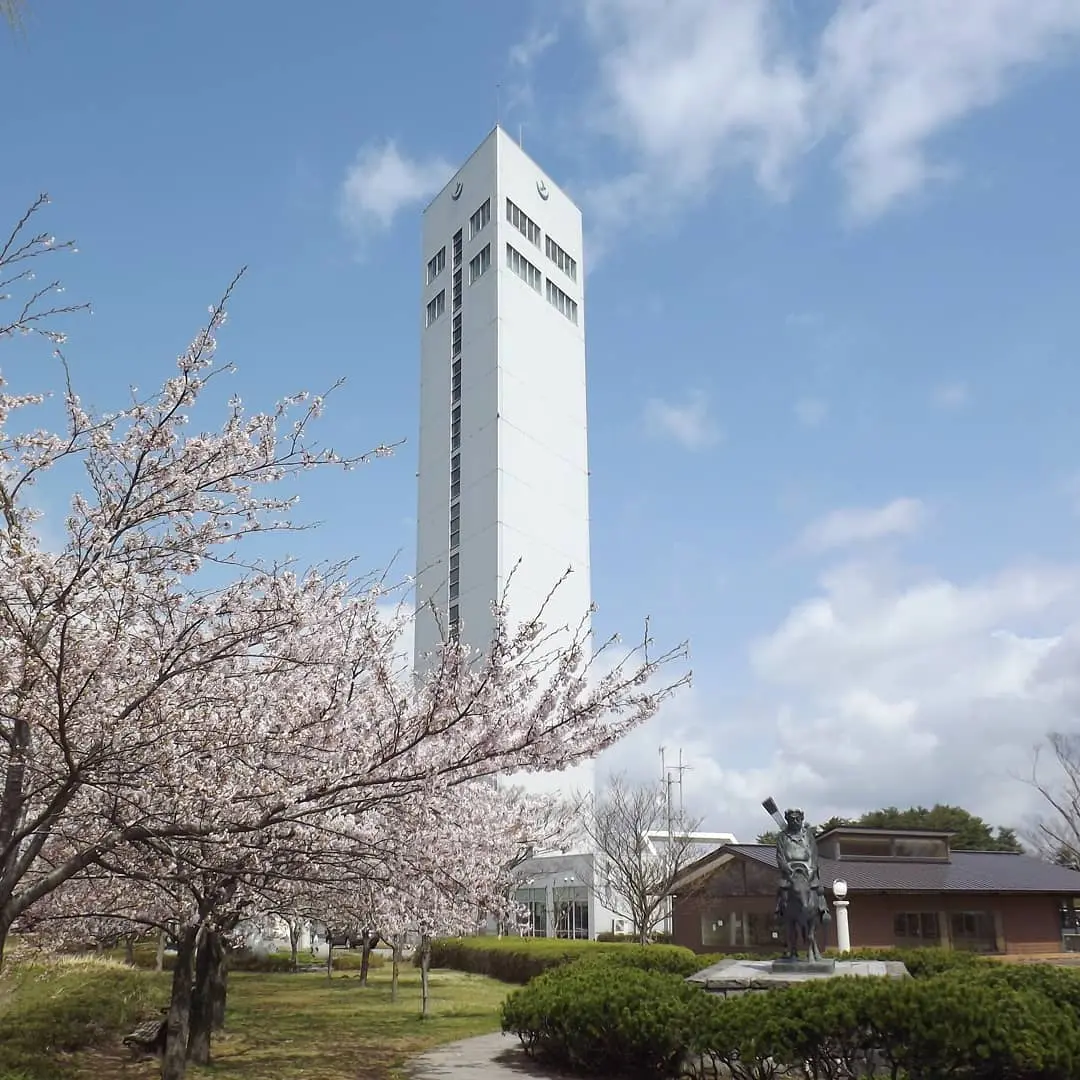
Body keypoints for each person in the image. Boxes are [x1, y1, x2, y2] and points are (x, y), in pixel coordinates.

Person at [774, 807, 830, 923]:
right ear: (788, 820)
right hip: (790, 870)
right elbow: (780, 856)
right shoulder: (782, 837)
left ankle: (823, 909)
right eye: (792, 819)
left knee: (818, 888)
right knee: (782, 888)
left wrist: (811, 871)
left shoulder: (808, 835)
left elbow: (813, 855)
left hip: (808, 869)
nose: (795, 822)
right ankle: (779, 910)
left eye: (797, 819)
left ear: (802, 819)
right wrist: (787, 869)